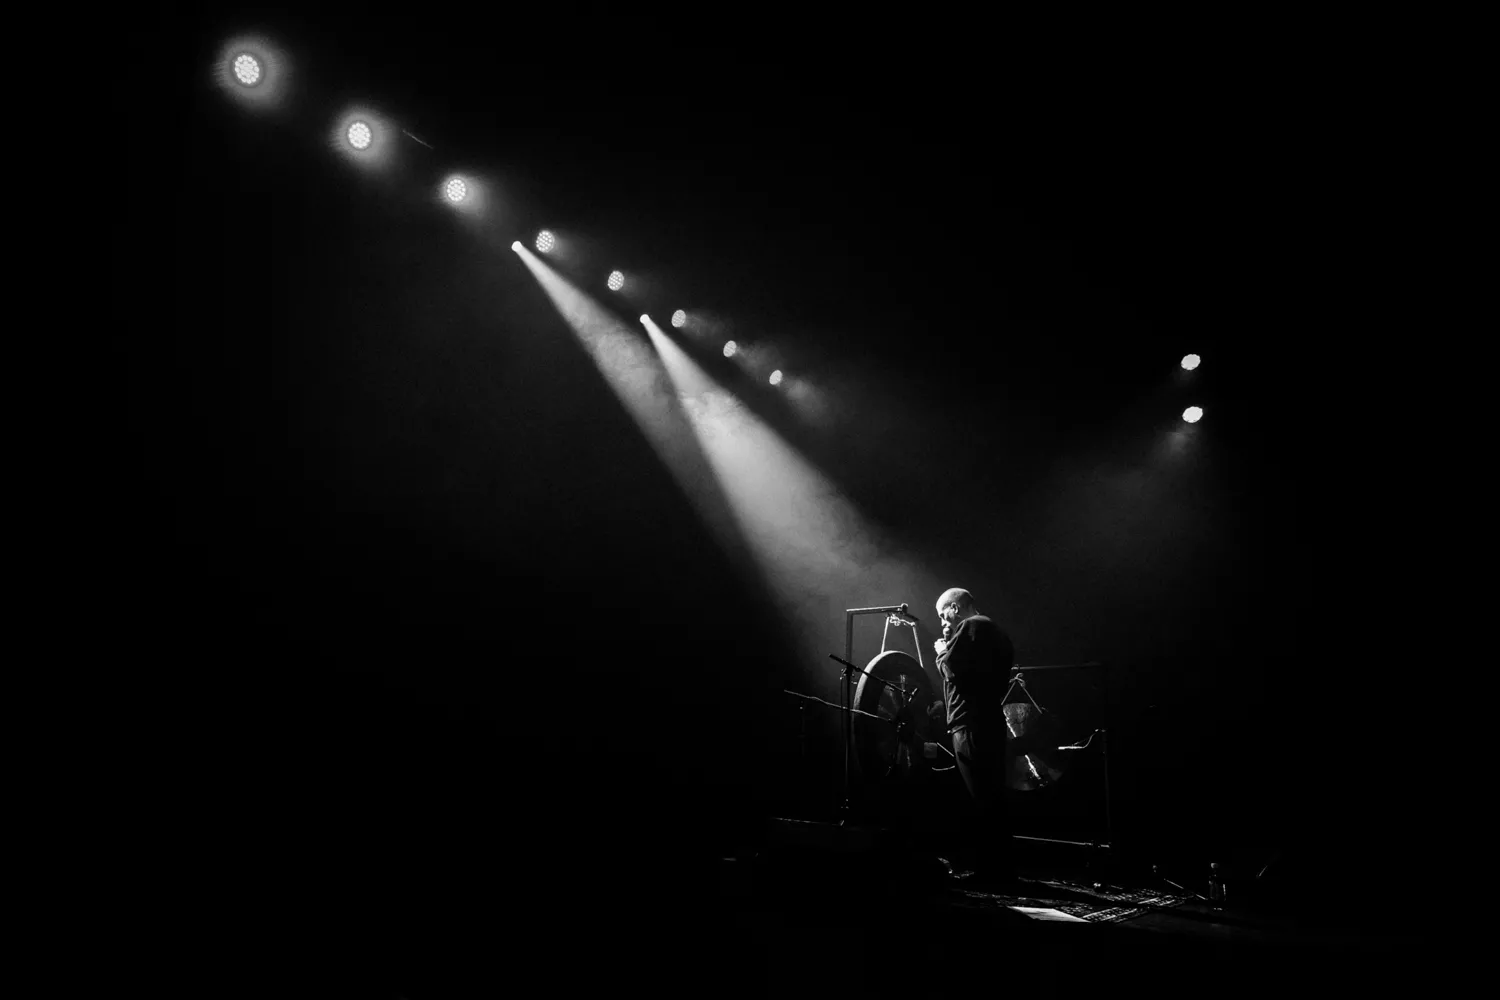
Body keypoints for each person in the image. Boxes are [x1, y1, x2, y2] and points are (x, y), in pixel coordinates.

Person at [931, 587, 1017, 886]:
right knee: (992, 796)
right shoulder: (995, 631)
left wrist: (942, 651)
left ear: (955, 608)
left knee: (982, 799)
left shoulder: (972, 626)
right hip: (988, 720)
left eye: (943, 614)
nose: (944, 621)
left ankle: (991, 872)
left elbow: (951, 670)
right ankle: (1001, 869)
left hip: (971, 724)